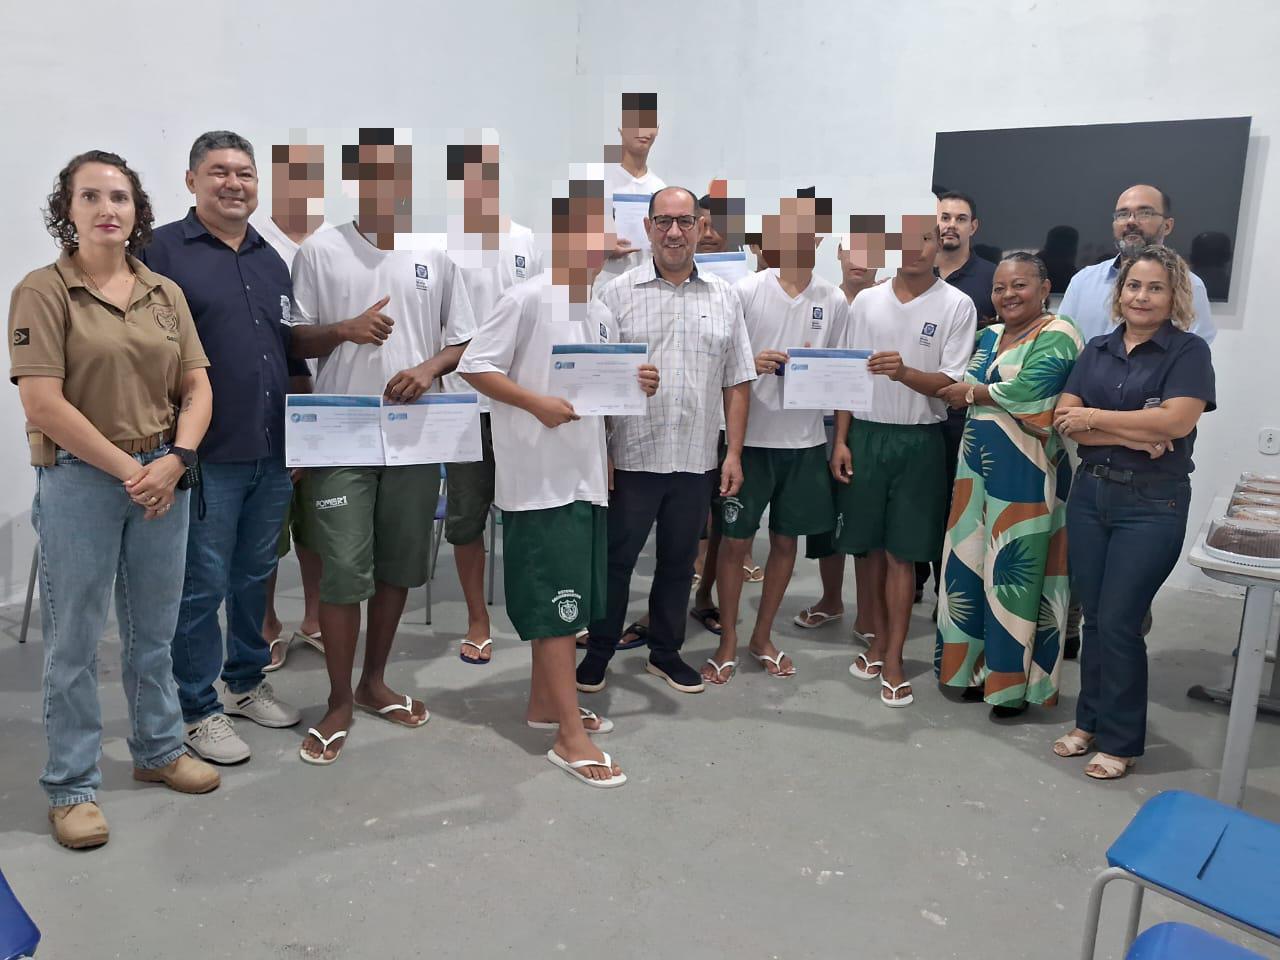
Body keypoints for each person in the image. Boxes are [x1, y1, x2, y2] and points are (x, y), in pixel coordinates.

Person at [9, 150, 220, 849]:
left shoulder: (163, 292)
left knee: (154, 631)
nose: (108, 209)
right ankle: (71, 786)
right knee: (74, 641)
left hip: (164, 473)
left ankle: (158, 749)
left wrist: (177, 459)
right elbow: (43, 402)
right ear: (66, 210)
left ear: (137, 210)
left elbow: (197, 384)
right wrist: (134, 471)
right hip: (81, 480)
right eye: (91, 196)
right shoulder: (43, 290)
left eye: (120, 197)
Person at [459, 171, 658, 786]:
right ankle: (569, 738)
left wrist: (637, 383)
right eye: (588, 229)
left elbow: (599, 392)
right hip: (539, 483)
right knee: (557, 607)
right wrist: (534, 403)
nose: (600, 241)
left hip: (584, 478)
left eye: (606, 230)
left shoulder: (599, 312)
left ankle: (546, 705)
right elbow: (475, 365)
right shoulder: (526, 298)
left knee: (572, 604)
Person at [288, 128, 476, 764]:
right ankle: (338, 699)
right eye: (371, 172)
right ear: (355, 179)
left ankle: (374, 682)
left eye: (395, 172)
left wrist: (427, 368)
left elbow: (463, 339)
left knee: (398, 565)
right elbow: (293, 340)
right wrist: (344, 330)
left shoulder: (435, 253)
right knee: (344, 569)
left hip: (415, 437)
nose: (385, 184)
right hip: (340, 436)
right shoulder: (320, 250)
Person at [140, 131, 303, 764]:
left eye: (245, 173)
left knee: (255, 577)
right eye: (219, 172)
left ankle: (244, 682)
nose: (234, 183)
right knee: (201, 585)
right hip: (203, 453)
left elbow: (285, 350)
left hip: (271, 447)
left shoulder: (270, 258)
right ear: (192, 181)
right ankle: (196, 707)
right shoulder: (160, 252)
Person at [576, 186, 756, 695]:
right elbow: (591, 376)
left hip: (695, 458)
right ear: (648, 227)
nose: (674, 232)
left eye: (684, 221)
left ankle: (665, 653)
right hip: (632, 455)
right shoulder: (615, 293)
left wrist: (733, 453)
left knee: (679, 564)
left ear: (700, 226)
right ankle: (600, 651)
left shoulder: (724, 296)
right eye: (663, 221)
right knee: (616, 562)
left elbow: (737, 380)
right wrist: (601, 450)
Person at [1050, 245, 1214, 780]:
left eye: (1155, 288)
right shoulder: (1096, 348)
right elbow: (1064, 417)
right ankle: (1088, 721)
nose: (1142, 297)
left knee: (1121, 621)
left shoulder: (1188, 352)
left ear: (1175, 296)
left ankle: (1120, 741)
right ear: (1119, 293)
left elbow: (1176, 423)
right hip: (1090, 495)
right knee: (1096, 617)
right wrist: (1132, 433)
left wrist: (1098, 420)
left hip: (1152, 504)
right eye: (1133, 286)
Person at [832, 215, 977, 707]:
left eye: (926, 239)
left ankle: (893, 658)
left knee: (903, 554)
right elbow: (848, 376)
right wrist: (841, 440)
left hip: (920, 440)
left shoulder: (956, 304)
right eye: (905, 240)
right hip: (866, 436)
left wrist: (904, 373)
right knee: (869, 550)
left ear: (939, 245)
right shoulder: (866, 301)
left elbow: (952, 385)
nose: (915, 248)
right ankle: (875, 641)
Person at [934, 253, 1084, 717]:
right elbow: (962, 387)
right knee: (968, 566)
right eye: (999, 288)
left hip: (1027, 472)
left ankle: (1012, 688)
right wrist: (970, 393)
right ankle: (970, 673)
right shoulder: (989, 335)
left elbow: (1032, 392)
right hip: (974, 469)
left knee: (1014, 576)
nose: (1007, 295)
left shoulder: (1060, 332)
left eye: (1019, 285)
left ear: (1045, 288)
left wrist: (973, 393)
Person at [705, 194, 847, 683]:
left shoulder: (833, 299)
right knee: (735, 544)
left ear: (818, 238)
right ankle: (727, 638)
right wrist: (753, 363)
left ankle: (762, 636)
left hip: (804, 443)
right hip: (748, 440)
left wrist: (839, 440)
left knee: (785, 543)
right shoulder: (745, 291)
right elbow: (720, 363)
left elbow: (841, 373)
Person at [433, 139, 543, 664]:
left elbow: (541, 317)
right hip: (462, 406)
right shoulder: (442, 246)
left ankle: (535, 611)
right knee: (466, 519)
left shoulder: (527, 242)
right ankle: (478, 619)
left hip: (518, 404)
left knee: (528, 512)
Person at [253, 142, 331, 670]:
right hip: (273, 405)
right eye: (293, 174)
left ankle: (316, 618)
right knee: (266, 527)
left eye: (311, 175)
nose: (302, 185)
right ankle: (265, 624)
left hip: (335, 405)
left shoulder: (340, 243)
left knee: (320, 520)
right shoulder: (256, 245)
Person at [793, 222, 884, 644]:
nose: (861, 260)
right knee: (823, 519)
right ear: (840, 254)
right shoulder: (822, 299)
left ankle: (869, 612)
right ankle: (831, 599)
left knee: (863, 519)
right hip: (816, 423)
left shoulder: (884, 303)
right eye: (854, 250)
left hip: (865, 424)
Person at [916, 191, 999, 606]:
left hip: (965, 416)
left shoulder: (993, 279)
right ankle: (911, 583)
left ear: (973, 227)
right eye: (943, 217)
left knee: (956, 507)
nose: (950, 225)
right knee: (917, 504)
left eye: (960, 218)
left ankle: (946, 595)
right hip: (915, 410)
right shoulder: (914, 272)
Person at [1059, 184, 1217, 344]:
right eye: (1122, 214)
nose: (1131, 221)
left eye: (1144, 213)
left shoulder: (1190, 286)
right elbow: (1061, 343)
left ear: (1167, 226)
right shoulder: (1083, 281)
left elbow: (1193, 351)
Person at [595, 92, 666, 292]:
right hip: (601, 286)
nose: (642, 131)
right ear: (621, 128)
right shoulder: (596, 181)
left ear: (657, 130)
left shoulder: (660, 188)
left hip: (647, 290)